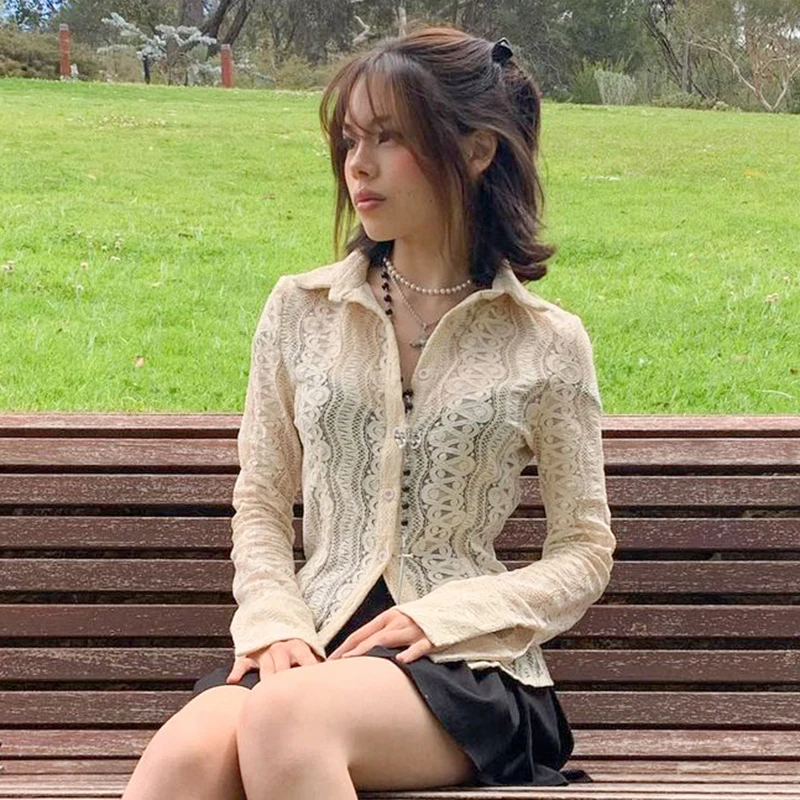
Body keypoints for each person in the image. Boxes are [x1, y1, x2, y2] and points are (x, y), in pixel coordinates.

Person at [121, 23, 615, 800]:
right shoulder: (300, 311)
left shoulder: (546, 342)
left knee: (287, 720)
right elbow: (260, 501)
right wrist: (275, 620)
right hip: (310, 641)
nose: (358, 163)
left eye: (388, 136)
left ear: (476, 150)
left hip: (464, 663)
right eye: (350, 139)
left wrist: (451, 615)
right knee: (187, 758)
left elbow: (584, 548)